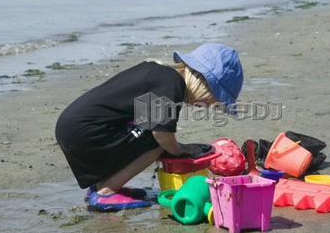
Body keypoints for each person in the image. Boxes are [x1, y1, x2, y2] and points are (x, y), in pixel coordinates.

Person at [55, 43, 244, 211]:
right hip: (86, 132)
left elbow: (140, 121)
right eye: (214, 100)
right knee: (158, 142)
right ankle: (106, 192)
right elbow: (161, 134)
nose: (210, 106)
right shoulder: (172, 84)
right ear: (204, 83)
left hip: (74, 128)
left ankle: (101, 185)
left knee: (145, 130)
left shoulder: (159, 74)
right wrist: (181, 150)